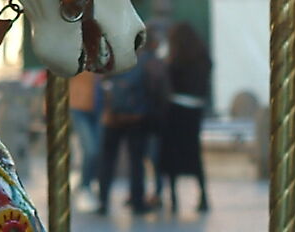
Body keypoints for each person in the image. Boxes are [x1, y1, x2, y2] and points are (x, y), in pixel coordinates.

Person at [95, 46, 168, 215]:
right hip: (136, 117)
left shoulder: (112, 58)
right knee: (136, 161)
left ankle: (103, 199)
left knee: (108, 159)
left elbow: (103, 85)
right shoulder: (144, 61)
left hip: (112, 117)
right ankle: (137, 200)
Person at [156, 21, 212, 214]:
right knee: (194, 153)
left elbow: (168, 81)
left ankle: (173, 197)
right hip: (195, 110)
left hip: (176, 109)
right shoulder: (203, 59)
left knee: (171, 154)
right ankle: (203, 195)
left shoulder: (176, 59)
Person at [67, 69, 102, 205]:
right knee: (91, 149)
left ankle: (85, 184)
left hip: (99, 106)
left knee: (97, 150)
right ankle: (85, 186)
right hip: (79, 106)